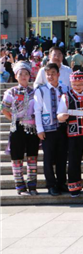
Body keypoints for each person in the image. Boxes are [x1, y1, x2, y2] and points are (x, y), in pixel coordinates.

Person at [57, 70, 83, 197]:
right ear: (71, 84)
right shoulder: (66, 96)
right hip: (74, 134)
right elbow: (59, 115)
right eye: (75, 85)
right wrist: (62, 116)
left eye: (80, 84)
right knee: (74, 161)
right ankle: (74, 187)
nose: (78, 87)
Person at [1, 62, 38, 196]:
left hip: (32, 127)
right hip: (17, 127)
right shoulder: (11, 92)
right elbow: (4, 109)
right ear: (16, 76)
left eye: (26, 74)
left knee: (32, 156)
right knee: (17, 156)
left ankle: (32, 185)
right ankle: (20, 185)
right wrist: (14, 120)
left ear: (30, 76)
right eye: (20, 74)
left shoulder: (35, 92)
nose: (23, 76)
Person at [34, 63, 68, 196]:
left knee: (62, 157)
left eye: (53, 73)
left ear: (58, 74)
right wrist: (39, 129)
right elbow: (37, 110)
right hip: (47, 129)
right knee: (48, 158)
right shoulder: (41, 90)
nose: (50, 76)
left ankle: (61, 183)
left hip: (62, 128)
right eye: (48, 74)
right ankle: (51, 185)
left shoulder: (64, 88)